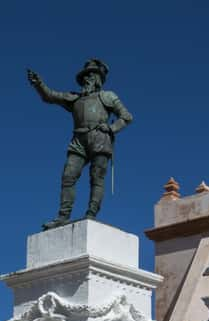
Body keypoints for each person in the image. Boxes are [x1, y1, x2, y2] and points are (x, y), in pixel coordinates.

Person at [27, 59, 133, 230]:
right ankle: (63, 216)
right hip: (78, 141)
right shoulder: (74, 98)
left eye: (91, 75)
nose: (87, 79)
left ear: (98, 78)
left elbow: (126, 116)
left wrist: (112, 128)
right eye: (85, 76)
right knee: (68, 176)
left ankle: (91, 213)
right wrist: (38, 84)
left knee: (96, 178)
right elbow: (50, 96)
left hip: (100, 138)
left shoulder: (108, 96)